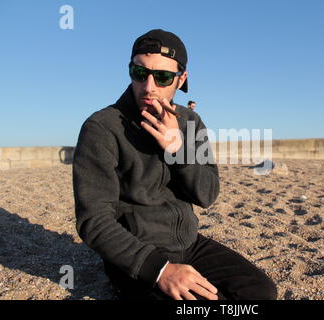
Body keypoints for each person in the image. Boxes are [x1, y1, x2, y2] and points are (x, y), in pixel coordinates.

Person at [72, 29, 277, 300]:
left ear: (181, 80)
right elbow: (94, 220)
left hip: (189, 245)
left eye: (163, 76)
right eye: (139, 73)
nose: (149, 86)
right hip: (138, 257)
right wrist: (160, 270)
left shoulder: (191, 122)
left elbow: (207, 194)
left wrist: (178, 149)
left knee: (261, 292)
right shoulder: (101, 128)